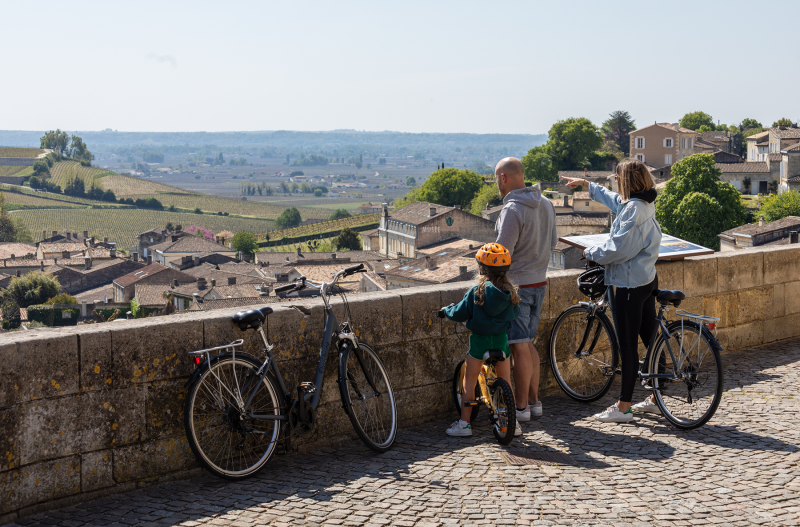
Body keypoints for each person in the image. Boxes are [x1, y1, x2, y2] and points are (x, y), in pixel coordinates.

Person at [563, 159, 662, 423]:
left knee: (627, 347)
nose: (616, 182)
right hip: (646, 280)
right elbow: (615, 201)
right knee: (651, 339)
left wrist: (590, 252)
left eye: (618, 179)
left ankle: (624, 406)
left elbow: (618, 249)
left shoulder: (633, 211)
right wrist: (587, 186)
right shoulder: (643, 203)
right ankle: (656, 398)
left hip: (628, 285)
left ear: (627, 181)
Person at [494, 157, 557, 423]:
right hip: (540, 281)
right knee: (528, 343)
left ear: (504, 178)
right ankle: (534, 402)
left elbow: (501, 253)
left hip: (517, 286)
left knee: (518, 347)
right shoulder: (546, 204)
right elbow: (553, 242)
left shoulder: (512, 210)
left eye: (497, 179)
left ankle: (520, 408)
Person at [439, 243, 521, 437]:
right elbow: (515, 313)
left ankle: (464, 424)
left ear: (482, 268)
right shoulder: (510, 292)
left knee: (469, 382)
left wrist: (446, 311)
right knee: (506, 382)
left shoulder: (478, 291)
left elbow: (460, 312)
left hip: (479, 342)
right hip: (501, 341)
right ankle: (512, 423)